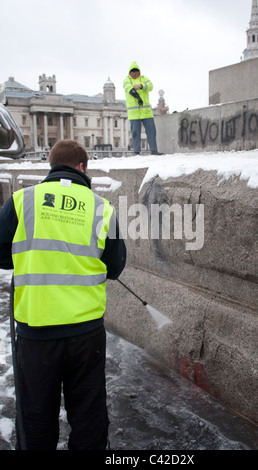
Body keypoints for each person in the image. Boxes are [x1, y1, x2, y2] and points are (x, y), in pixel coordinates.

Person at [0, 139, 126, 450]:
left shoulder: (21, 200)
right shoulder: (102, 208)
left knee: (35, 417)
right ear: (83, 167)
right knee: (88, 415)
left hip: (36, 332)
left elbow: (2, 255)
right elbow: (115, 267)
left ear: (50, 164)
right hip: (86, 333)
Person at [123, 61, 162, 155]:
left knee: (151, 131)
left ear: (139, 72)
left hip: (146, 111)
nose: (134, 73)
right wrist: (138, 97)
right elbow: (129, 89)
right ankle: (136, 151)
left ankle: (154, 150)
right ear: (129, 73)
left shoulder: (144, 79)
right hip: (134, 113)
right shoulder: (127, 80)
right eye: (132, 71)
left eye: (136, 71)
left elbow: (151, 86)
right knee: (135, 133)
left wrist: (141, 86)